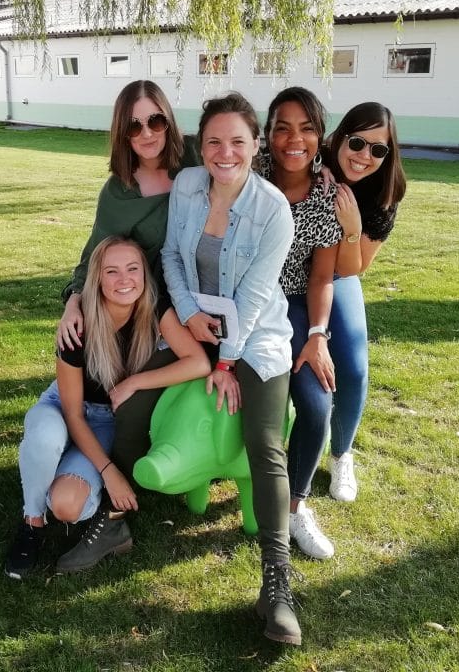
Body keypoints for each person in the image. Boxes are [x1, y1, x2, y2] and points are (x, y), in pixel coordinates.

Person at [162, 92, 301, 646]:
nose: (225, 153)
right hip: (195, 322)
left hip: (256, 336)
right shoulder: (186, 186)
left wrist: (226, 359)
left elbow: (256, 294)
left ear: (256, 145)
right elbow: (171, 256)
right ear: (201, 145)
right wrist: (189, 314)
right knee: (139, 396)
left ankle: (277, 584)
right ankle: (112, 510)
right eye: (214, 142)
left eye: (238, 142)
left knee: (264, 443)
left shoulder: (273, 210)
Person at [5, 236, 210, 579]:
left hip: (104, 421)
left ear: (144, 274)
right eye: (111, 271)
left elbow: (198, 363)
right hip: (65, 407)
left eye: (132, 269)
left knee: (67, 506)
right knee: (45, 439)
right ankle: (32, 521)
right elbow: (72, 413)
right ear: (97, 279)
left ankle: (53, 474)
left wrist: (135, 382)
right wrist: (109, 471)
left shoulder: (155, 309)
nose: (124, 279)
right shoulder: (79, 322)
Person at [55, 80, 200, 483]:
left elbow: (243, 152)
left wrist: (320, 167)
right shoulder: (118, 192)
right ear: (123, 132)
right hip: (158, 309)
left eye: (156, 120)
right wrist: (73, 301)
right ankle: (116, 474)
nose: (147, 133)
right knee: (134, 406)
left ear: (169, 120)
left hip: (209, 294)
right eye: (135, 126)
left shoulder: (196, 158)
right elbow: (94, 257)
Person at [254, 87, 345, 561]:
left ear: (320, 136)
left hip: (293, 307)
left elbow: (322, 277)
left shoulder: (326, 196)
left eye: (307, 129)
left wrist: (317, 336)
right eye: (283, 128)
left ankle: (295, 506)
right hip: (243, 304)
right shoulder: (247, 176)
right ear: (267, 134)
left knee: (316, 403)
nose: (295, 139)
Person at [317, 101, 406, 504]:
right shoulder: (315, 158)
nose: (364, 156)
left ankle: (341, 455)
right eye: (357, 143)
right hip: (287, 272)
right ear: (340, 138)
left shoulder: (386, 192)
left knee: (353, 368)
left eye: (378, 149)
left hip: (339, 273)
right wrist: (313, 169)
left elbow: (354, 268)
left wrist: (352, 228)